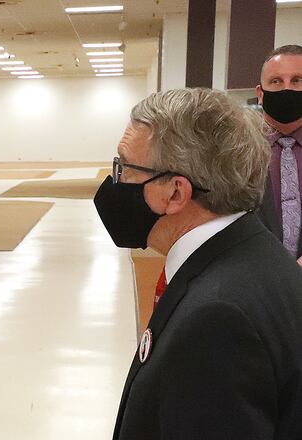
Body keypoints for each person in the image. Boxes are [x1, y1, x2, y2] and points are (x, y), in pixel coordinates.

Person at [93, 88, 302, 439]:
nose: (116, 180)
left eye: (124, 167)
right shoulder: (256, 254)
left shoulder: (216, 318)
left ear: (176, 192)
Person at [255, 44, 302, 263]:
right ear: (260, 94)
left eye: (297, 81)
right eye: (276, 81)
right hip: (254, 283)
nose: (287, 90)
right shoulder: (233, 151)